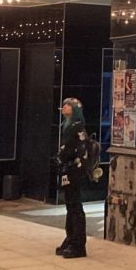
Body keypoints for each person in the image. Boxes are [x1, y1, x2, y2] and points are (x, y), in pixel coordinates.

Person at [56, 97, 88, 259]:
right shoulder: (67, 124)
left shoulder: (76, 126)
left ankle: (78, 244)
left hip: (74, 170)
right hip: (68, 169)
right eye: (64, 105)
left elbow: (71, 148)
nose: (64, 108)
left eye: (68, 105)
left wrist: (62, 156)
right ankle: (70, 238)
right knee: (70, 205)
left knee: (75, 205)